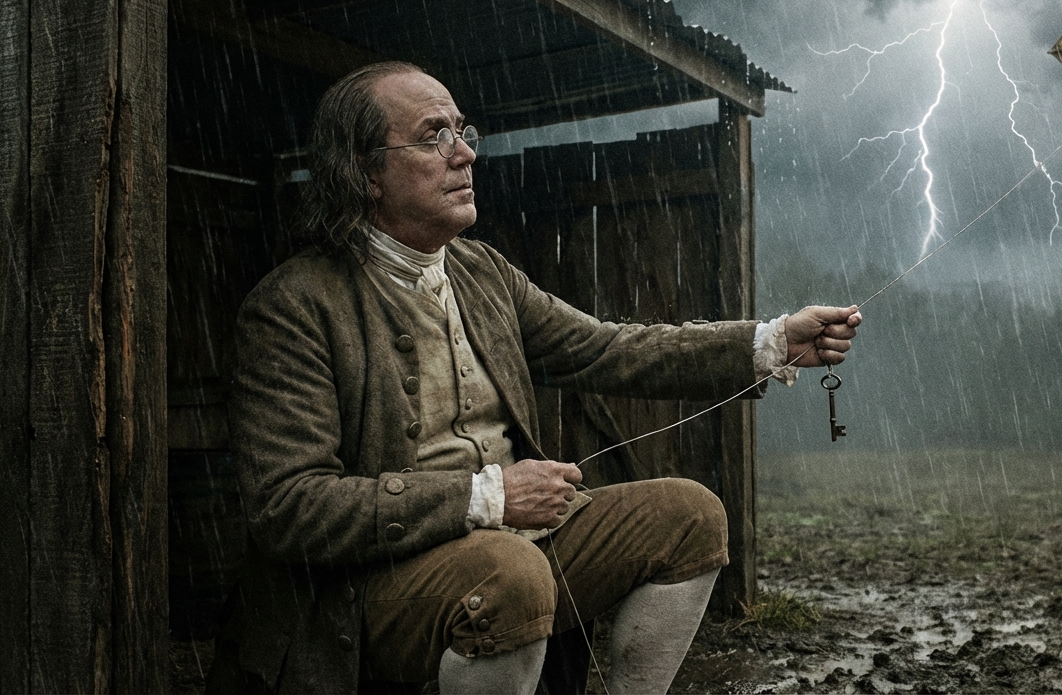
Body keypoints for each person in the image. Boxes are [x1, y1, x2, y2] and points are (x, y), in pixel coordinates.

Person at [210, 61, 861, 695]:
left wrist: (770, 342)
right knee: (510, 573)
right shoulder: (293, 306)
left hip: (513, 546)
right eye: (434, 136)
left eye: (464, 132)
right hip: (365, 589)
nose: (464, 154)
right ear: (366, 172)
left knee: (690, 516)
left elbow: (608, 350)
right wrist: (485, 496)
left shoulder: (482, 273)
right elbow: (287, 506)